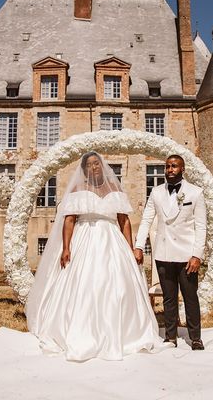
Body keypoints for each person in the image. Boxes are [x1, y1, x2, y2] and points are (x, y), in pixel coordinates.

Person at [25, 152, 163, 361]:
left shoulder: (115, 188)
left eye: (96, 163)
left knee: (116, 284)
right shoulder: (77, 189)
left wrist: (130, 247)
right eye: (89, 165)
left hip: (111, 239)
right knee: (84, 283)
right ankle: (80, 330)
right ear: (84, 170)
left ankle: (125, 331)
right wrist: (66, 248)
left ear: (102, 165)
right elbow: (69, 220)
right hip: (84, 239)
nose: (94, 167)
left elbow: (124, 221)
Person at [134, 154, 206, 350]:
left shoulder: (195, 193)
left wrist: (197, 255)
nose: (169, 170)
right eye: (167, 167)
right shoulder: (156, 192)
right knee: (169, 297)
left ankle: (196, 337)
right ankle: (170, 336)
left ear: (182, 169)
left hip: (187, 255)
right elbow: (146, 220)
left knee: (190, 297)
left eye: (174, 166)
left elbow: (201, 227)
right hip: (163, 253)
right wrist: (139, 246)